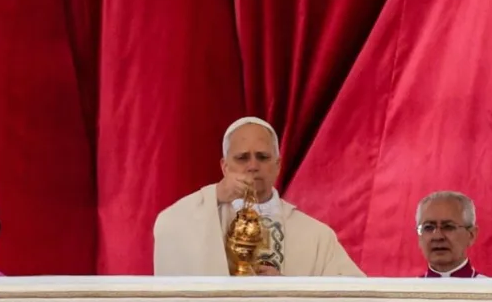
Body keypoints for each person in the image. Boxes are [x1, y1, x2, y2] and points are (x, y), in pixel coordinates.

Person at [153, 117, 363, 277]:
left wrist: (289, 291)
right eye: (242, 158)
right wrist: (216, 194)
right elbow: (166, 227)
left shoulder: (316, 237)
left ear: (277, 165)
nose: (253, 166)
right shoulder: (201, 217)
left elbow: (353, 296)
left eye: (262, 157)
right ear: (225, 167)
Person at [416, 190, 484, 278]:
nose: (438, 236)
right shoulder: (407, 286)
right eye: (428, 227)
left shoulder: (491, 286)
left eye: (448, 227)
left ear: (471, 235)